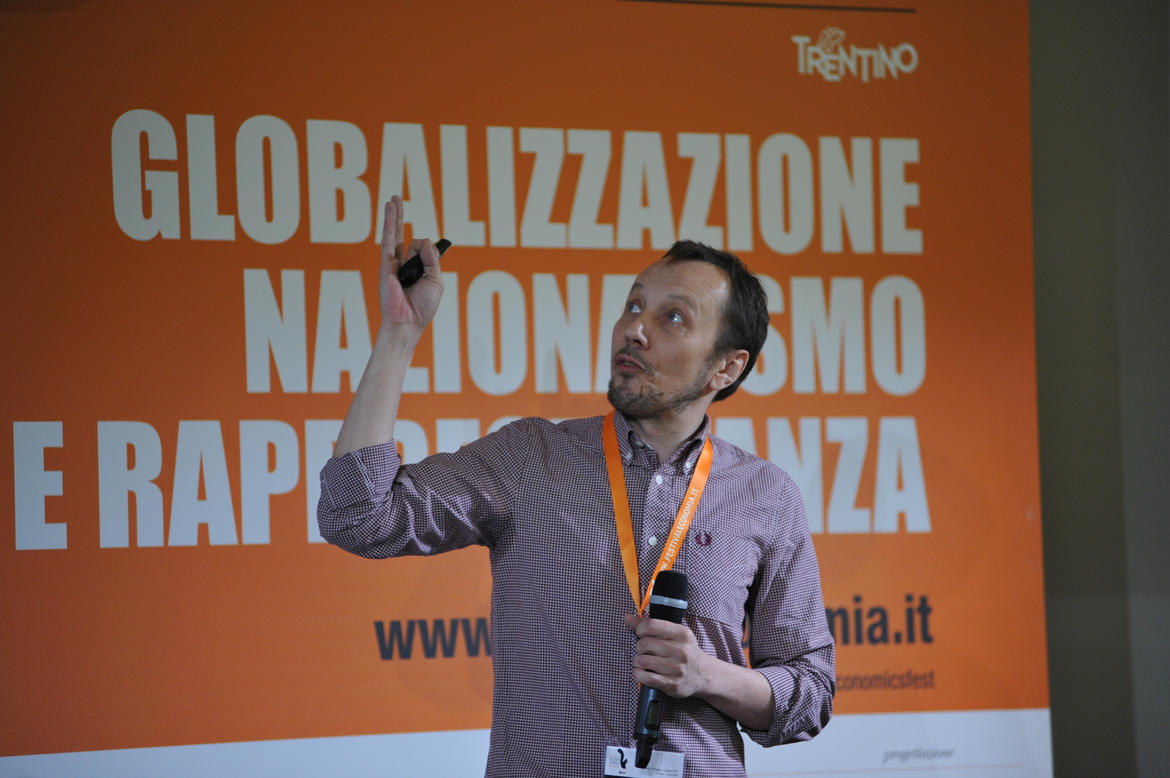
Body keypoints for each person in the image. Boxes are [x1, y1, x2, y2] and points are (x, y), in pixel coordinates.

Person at [318, 196, 835, 777]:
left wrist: (708, 675)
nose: (634, 329)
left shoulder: (766, 494)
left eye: (672, 317)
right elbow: (357, 515)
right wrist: (398, 335)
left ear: (727, 368)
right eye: (633, 305)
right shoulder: (529, 457)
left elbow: (811, 692)